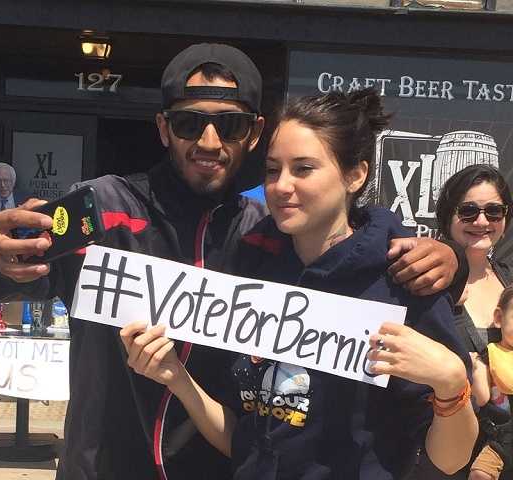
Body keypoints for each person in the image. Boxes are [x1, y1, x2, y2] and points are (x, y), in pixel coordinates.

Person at [0, 45, 463, 480]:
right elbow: (12, 278)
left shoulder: (264, 232)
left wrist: (449, 256)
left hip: (220, 464)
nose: (208, 141)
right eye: (189, 122)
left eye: (228, 124)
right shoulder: (103, 206)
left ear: (253, 133)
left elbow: (347, 238)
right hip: (104, 465)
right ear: (164, 128)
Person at [121, 88, 478, 479]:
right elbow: (243, 443)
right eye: (273, 170)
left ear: (355, 175)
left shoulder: (403, 281)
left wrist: (451, 383)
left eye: (303, 168)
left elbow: (450, 460)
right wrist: (177, 377)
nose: (281, 186)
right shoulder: (254, 271)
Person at [436, 164, 513, 480]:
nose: (482, 221)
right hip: (446, 455)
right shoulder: (428, 288)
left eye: (493, 211)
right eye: (468, 211)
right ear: (447, 215)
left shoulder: (509, 280)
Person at [470, 285, 513, 480]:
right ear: (499, 318)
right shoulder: (490, 355)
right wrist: (478, 367)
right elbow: (481, 398)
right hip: (502, 437)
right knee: (480, 473)